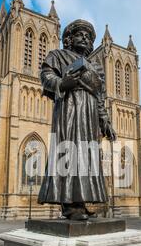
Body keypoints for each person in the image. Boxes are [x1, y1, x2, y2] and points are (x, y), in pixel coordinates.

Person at [38, 19, 116, 220]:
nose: (85, 38)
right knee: (69, 153)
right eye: (80, 34)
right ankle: (69, 205)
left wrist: (105, 120)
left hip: (89, 115)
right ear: (69, 39)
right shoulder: (57, 56)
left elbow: (99, 96)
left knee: (87, 157)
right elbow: (46, 76)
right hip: (69, 112)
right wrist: (63, 82)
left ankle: (80, 203)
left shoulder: (96, 67)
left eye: (88, 36)